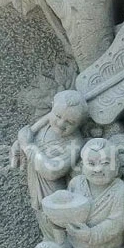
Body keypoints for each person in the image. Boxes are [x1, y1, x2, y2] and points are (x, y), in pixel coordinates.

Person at [17, 91, 87, 238]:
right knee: (43, 221)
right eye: (58, 116)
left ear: (79, 124)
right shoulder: (48, 121)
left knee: (58, 227)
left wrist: (27, 146)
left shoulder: (75, 142)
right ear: (52, 108)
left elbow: (52, 171)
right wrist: (18, 143)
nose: (61, 124)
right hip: (36, 185)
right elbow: (28, 131)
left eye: (70, 122)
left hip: (54, 192)